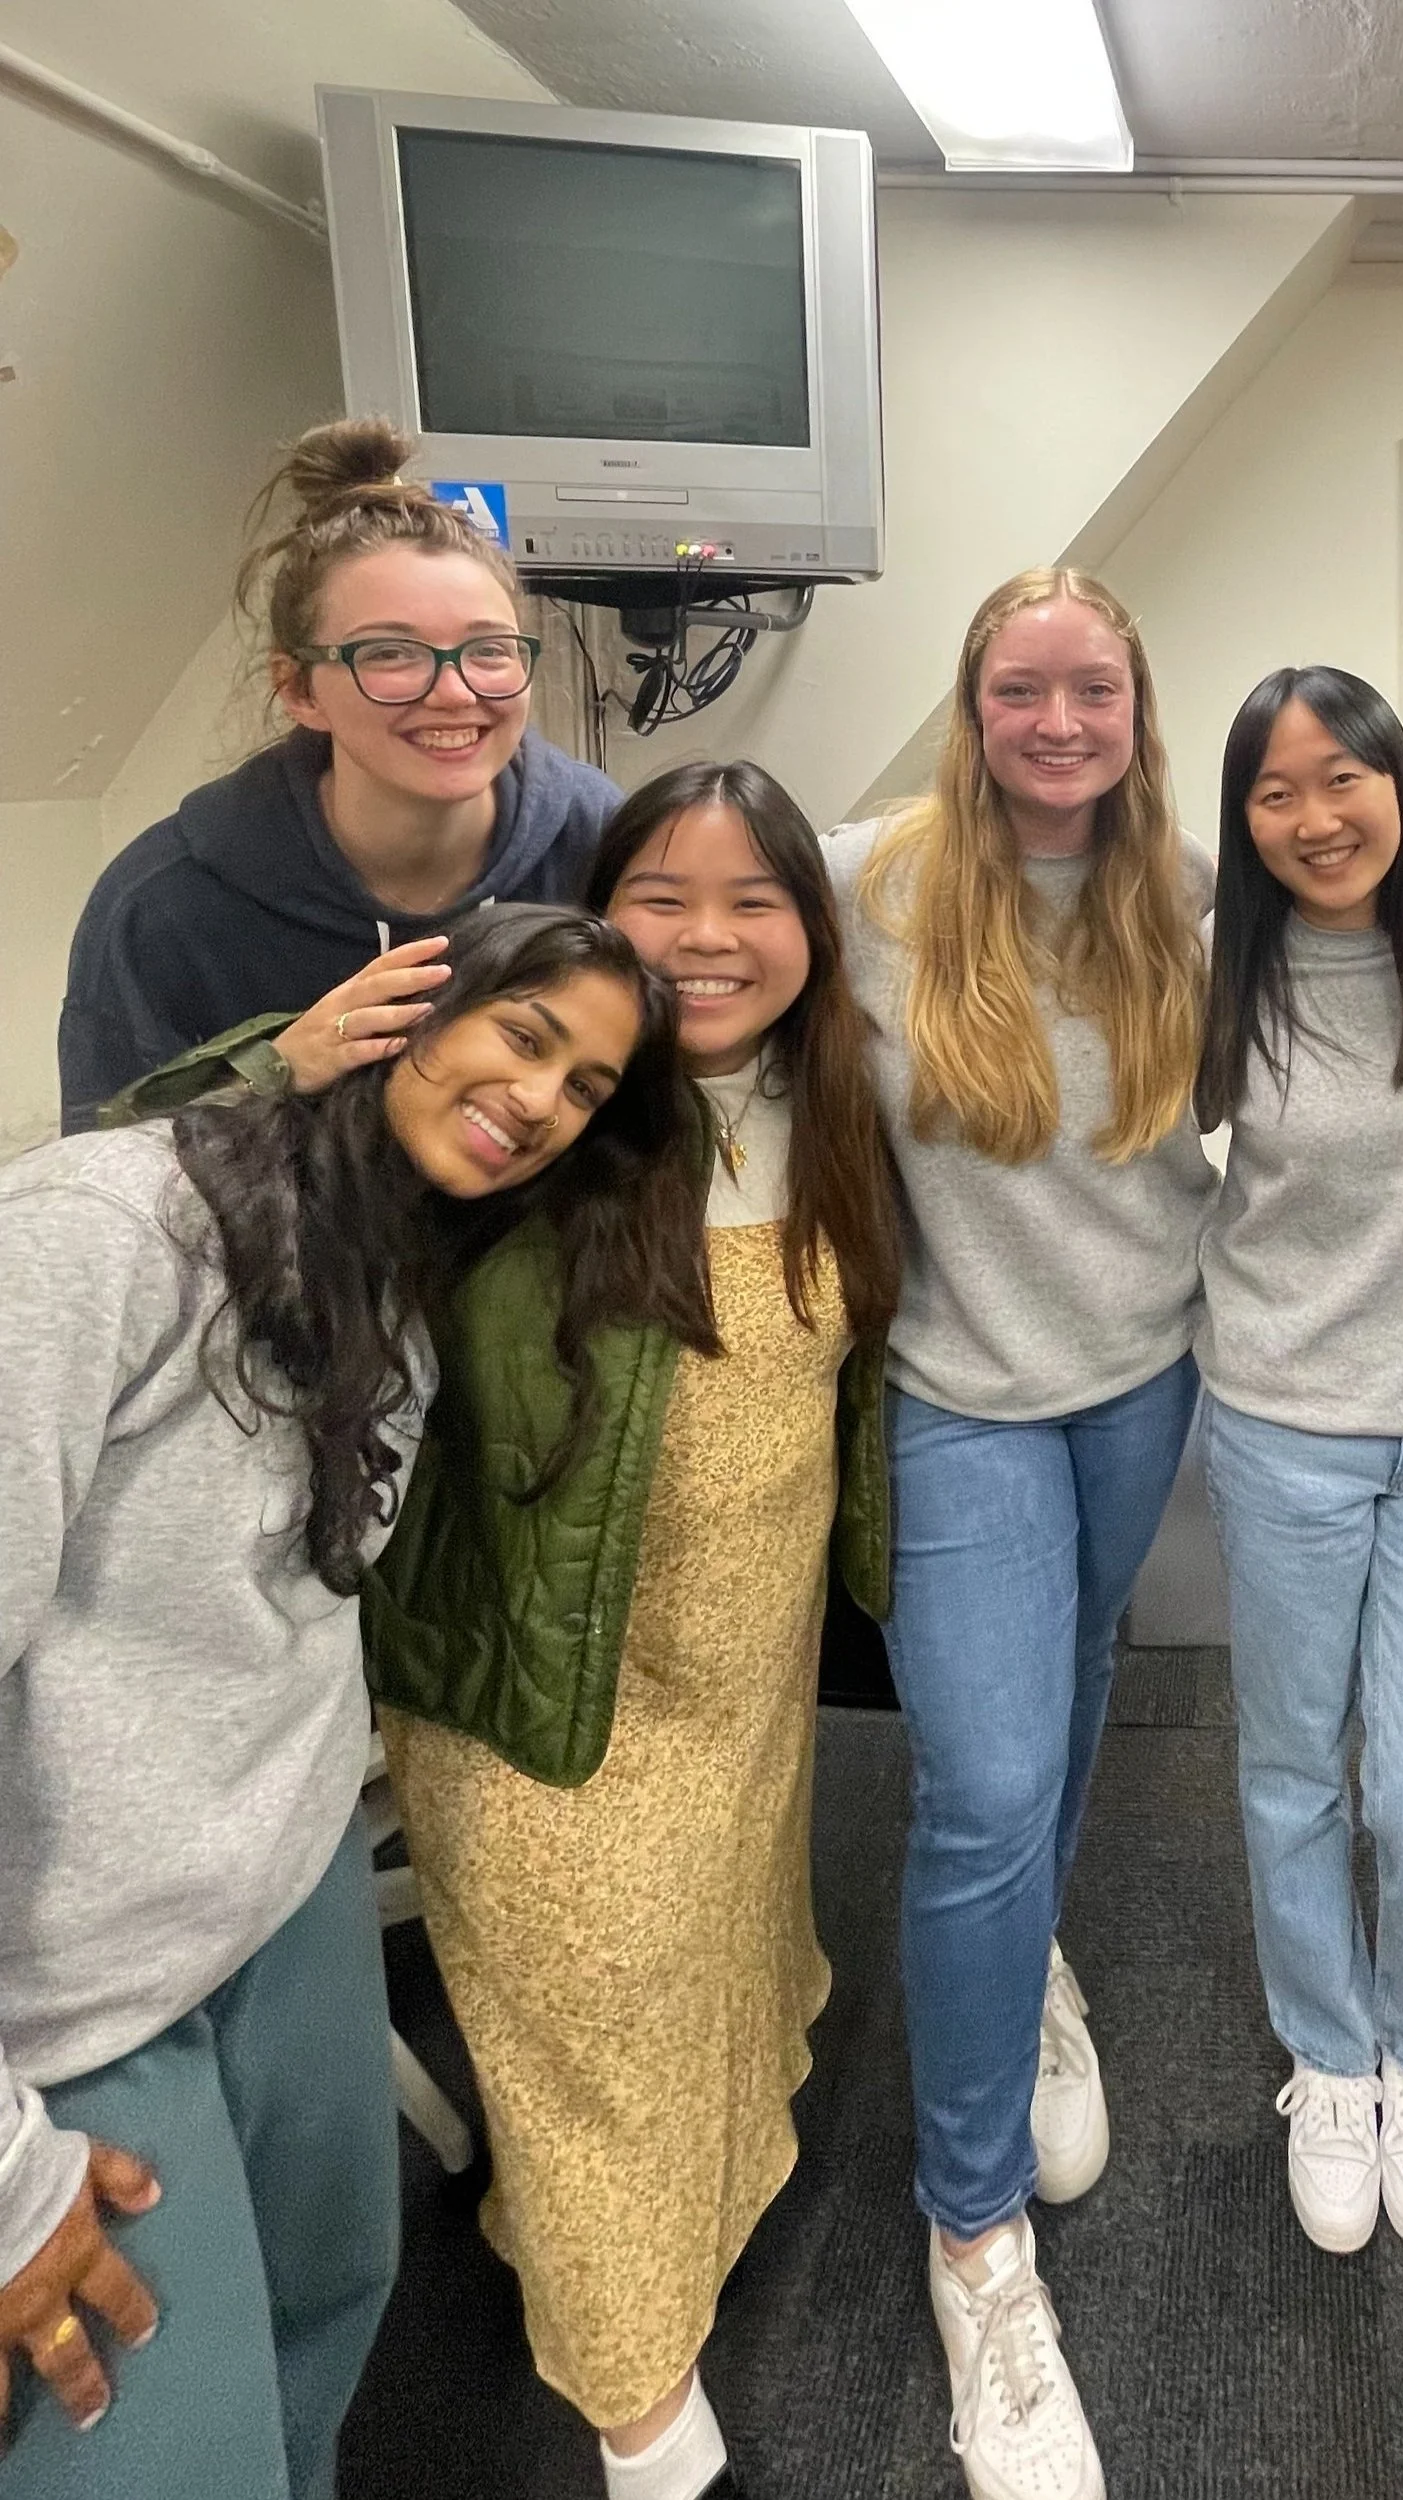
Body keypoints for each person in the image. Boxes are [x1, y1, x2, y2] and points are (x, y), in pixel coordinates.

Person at [125, 765, 901, 2500]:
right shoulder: (536, 1129)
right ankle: (640, 2413)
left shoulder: (835, 1100)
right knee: (591, 2025)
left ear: (810, 929)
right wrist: (285, 1059)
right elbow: (178, 1175)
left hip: (750, 1665)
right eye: (662, 900)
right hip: (545, 1688)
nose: (707, 938)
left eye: (752, 900)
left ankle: (674, 2217)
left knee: (715, 1966)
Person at [0, 905, 690, 2500]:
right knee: (178, 2460)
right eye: (524, 1036)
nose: (539, 1102)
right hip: (81, 1996)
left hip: (289, 1895)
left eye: (585, 1088)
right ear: (403, 1010)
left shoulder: (397, 1263)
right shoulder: (99, 1236)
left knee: (332, 2317)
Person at [823, 569, 1211, 2500]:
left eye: (1094, 690)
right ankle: (975, 2239)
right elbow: (656, 898)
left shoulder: (1189, 893)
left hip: (1142, 1378)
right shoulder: (868, 881)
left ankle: (1031, 1965)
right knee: (980, 1785)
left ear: (1139, 705)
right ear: (971, 706)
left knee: (1074, 1692)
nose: (1059, 724)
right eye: (1020, 690)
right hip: (955, 1392)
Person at [1195, 665, 1403, 2257]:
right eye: (1277, 790)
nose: (1317, 817)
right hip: (1284, 1425)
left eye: (1345, 778)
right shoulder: (1218, 967)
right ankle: (1332, 2060)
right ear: (1241, 816)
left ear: (1402, 780)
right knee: (1289, 1768)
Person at [57, 416, 618, 1130]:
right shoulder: (162, 909)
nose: (455, 691)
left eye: (490, 651)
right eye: (389, 654)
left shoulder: (602, 844)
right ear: (299, 691)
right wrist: (272, 1073)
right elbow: (96, 1185)